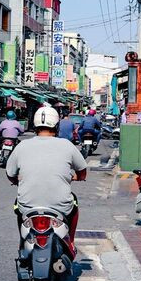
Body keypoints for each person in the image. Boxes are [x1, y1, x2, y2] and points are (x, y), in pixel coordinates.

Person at [5, 106, 88, 259]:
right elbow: (82, 171)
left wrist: (17, 180)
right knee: (74, 204)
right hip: (60, 206)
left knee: (18, 207)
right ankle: (71, 241)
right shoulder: (66, 145)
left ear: (35, 126)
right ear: (56, 126)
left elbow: (10, 174)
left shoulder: (22, 146)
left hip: (27, 207)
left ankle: (23, 241)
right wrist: (78, 177)